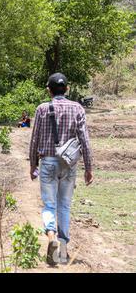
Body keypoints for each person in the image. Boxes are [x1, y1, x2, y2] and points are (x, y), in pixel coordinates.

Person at [29, 73, 93, 266]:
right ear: (67, 89)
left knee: (49, 205)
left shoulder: (42, 109)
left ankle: (51, 237)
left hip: (47, 162)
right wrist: (88, 167)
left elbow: (34, 138)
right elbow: (85, 140)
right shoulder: (78, 108)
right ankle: (62, 251)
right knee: (64, 206)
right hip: (69, 164)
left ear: (48, 89)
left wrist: (33, 164)